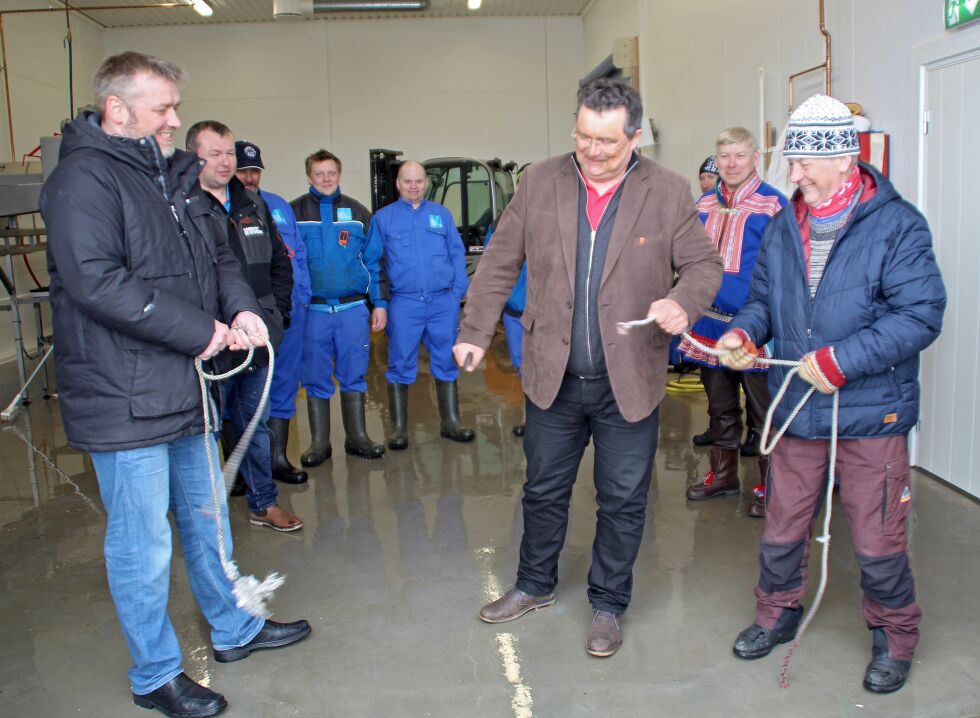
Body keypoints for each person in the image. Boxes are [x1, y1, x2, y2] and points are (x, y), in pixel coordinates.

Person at [40, 51, 310, 718]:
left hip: (183, 388)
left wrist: (241, 307)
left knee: (207, 519)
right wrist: (200, 331)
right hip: (122, 395)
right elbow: (95, 280)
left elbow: (218, 255)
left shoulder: (172, 178)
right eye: (163, 109)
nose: (175, 120)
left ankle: (235, 628)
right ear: (117, 109)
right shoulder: (83, 181)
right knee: (142, 542)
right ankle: (155, 673)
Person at [453, 78, 722, 657]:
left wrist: (682, 302)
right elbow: (500, 260)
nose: (591, 151)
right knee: (543, 489)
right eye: (582, 136)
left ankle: (608, 604)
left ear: (633, 136)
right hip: (553, 374)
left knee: (623, 500)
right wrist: (475, 330)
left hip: (630, 379)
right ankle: (533, 584)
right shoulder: (541, 181)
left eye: (605, 141)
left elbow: (704, 266)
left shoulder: (668, 191)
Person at [716, 94, 945, 693]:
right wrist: (744, 332)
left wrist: (842, 361)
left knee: (876, 535)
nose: (793, 176)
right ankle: (776, 615)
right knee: (784, 523)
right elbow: (763, 298)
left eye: (804, 164)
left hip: (871, 413)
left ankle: (895, 637)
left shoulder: (897, 224)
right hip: (797, 405)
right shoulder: (785, 224)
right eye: (789, 163)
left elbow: (921, 314)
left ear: (845, 159)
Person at [186, 120, 302, 533]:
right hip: (208, 342)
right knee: (203, 429)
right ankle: (203, 513)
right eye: (214, 153)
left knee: (255, 422)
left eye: (229, 153)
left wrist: (277, 313)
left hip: (257, 337)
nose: (225, 161)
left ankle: (263, 503)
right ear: (193, 156)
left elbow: (279, 262)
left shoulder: (252, 204)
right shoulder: (182, 208)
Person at [677, 127, 786, 517]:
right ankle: (723, 477)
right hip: (709, 325)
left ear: (755, 157)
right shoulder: (702, 204)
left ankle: (773, 486)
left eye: (740, 155)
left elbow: (786, 270)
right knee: (720, 408)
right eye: (724, 157)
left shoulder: (775, 205)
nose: (732, 163)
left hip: (756, 329)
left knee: (765, 412)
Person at [368, 160, 474, 449]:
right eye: (407, 181)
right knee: (400, 362)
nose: (414, 186)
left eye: (419, 180)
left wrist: (457, 293)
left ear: (426, 183)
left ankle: (450, 422)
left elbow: (456, 252)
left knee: (446, 360)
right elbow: (374, 262)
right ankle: (399, 429)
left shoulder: (442, 215)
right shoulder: (383, 219)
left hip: (443, 302)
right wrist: (380, 302)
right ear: (398, 184)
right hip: (405, 304)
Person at [290, 149, 387, 462]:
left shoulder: (358, 213)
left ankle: (357, 437)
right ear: (309, 177)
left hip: (352, 310)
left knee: (354, 373)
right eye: (319, 173)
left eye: (331, 173)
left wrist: (380, 304)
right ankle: (320, 443)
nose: (326, 179)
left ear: (339, 174)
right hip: (313, 311)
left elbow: (373, 262)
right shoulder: (293, 213)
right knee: (315, 376)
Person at [235, 140, 312, 485]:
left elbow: (298, 256)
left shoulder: (278, 206)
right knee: (241, 391)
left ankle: (277, 458)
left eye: (255, 171)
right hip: (245, 318)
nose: (250, 178)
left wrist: (303, 298)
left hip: (288, 313)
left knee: (284, 383)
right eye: (243, 171)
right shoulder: (222, 208)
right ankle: (241, 469)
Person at [485, 220, 528, 437]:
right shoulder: (502, 221)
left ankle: (551, 418)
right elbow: (492, 265)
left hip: (551, 309)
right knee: (521, 363)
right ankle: (528, 415)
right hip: (515, 310)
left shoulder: (561, 214)